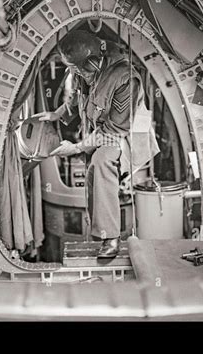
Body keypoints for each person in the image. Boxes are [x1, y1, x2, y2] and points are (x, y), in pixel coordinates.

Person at [33, 30, 159, 258]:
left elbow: (115, 130)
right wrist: (57, 114)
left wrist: (78, 147)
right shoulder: (85, 68)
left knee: (101, 162)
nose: (74, 73)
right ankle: (100, 233)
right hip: (100, 132)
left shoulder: (125, 78)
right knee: (93, 173)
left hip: (126, 135)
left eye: (77, 69)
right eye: (72, 69)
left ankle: (111, 238)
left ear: (93, 61)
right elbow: (78, 97)